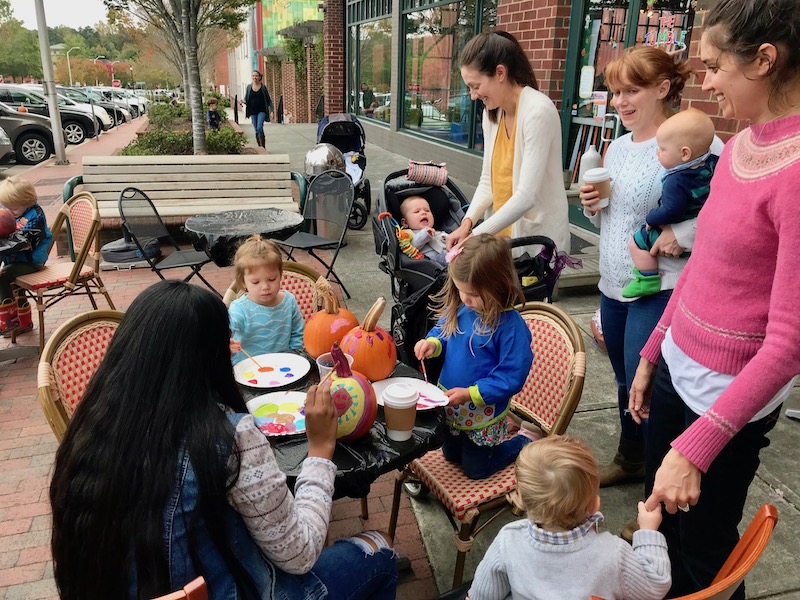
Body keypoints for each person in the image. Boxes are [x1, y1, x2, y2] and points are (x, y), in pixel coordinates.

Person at [49, 280, 398, 600]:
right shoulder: (226, 437)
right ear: (213, 356)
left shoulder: (89, 429)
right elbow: (300, 554)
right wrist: (321, 450)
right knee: (380, 552)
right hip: (240, 591)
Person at [627, 1, 800, 597]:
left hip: (726, 404)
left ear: (764, 61)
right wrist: (652, 353)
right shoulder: (741, 146)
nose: (705, 82)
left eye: (715, 65)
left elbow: (788, 344)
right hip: (677, 368)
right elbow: (702, 269)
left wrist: (699, 447)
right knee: (660, 524)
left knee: (704, 555)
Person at [579, 47, 725, 489]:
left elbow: (720, 214)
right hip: (613, 280)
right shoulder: (619, 147)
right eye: (615, 92)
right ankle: (632, 457)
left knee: (651, 388)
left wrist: (679, 238)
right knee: (626, 380)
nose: (620, 102)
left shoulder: (699, 143)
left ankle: (658, 485)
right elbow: (612, 215)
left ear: (663, 89)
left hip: (659, 286)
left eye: (632, 91)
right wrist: (591, 207)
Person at [469, 435, 671, 600]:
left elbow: (481, 595)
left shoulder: (508, 540)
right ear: (594, 504)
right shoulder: (613, 554)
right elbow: (655, 587)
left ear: (521, 497)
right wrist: (647, 532)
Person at [414, 234, 536, 480]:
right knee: (450, 455)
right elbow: (444, 331)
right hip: (452, 403)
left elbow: (511, 376)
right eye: (460, 290)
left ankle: (524, 440)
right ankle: (493, 441)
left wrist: (470, 394)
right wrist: (432, 343)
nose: (465, 299)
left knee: (476, 470)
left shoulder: (511, 328)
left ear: (498, 285)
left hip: (483, 410)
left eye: (472, 293)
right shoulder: (465, 308)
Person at [446, 31, 570, 255]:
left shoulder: (537, 111)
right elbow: (488, 182)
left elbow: (526, 196)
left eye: (476, 86)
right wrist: (466, 224)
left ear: (500, 73)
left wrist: (476, 236)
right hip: (501, 241)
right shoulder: (492, 114)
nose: (473, 95)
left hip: (535, 245)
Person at [622, 109, 718, 298]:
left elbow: (672, 210)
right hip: (697, 228)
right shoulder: (714, 163)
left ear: (684, 153)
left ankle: (647, 279)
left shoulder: (676, 180)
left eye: (663, 149)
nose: (658, 153)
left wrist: (651, 218)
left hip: (674, 226)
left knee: (636, 242)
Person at [228, 235, 304, 364]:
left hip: (283, 366)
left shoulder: (289, 302)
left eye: (271, 279)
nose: (265, 287)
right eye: (256, 282)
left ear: (280, 274)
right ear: (243, 282)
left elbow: (298, 333)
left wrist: (293, 357)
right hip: (247, 369)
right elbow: (228, 331)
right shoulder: (239, 309)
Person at [0, 176, 51, 336]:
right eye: (7, 207)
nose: (10, 212)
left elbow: (23, 242)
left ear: (28, 201)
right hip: (14, 260)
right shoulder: (8, 212)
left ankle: (8, 321)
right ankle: (24, 322)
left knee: (3, 276)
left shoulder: (35, 215)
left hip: (32, 262)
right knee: (14, 284)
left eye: (14, 208)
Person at [399, 195, 447, 264]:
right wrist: (425, 234)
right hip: (432, 263)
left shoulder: (437, 232)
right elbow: (412, 246)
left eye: (427, 210)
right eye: (417, 211)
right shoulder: (408, 234)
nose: (424, 212)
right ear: (405, 222)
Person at [241, 70, 273, 148]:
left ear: (259, 77)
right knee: (256, 129)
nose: (254, 77)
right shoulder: (249, 87)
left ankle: (262, 145)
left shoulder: (263, 87)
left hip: (262, 110)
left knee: (259, 127)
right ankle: (260, 145)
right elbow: (246, 99)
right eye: (253, 76)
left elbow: (269, 100)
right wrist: (243, 101)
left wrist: (272, 111)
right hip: (252, 111)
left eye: (256, 76)